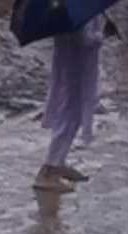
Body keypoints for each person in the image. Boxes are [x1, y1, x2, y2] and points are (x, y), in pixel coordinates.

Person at [37, 13, 118, 192]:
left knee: (72, 117)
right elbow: (84, 42)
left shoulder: (78, 8)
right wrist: (104, 34)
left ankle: (58, 162)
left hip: (74, 67)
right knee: (68, 118)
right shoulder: (78, 15)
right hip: (75, 70)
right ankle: (49, 171)